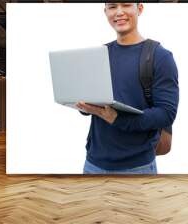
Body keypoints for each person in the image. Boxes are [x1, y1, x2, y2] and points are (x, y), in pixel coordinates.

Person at [76, 3, 179, 174]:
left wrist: (117, 119)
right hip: (93, 164)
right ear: (105, 12)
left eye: (126, 5)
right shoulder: (99, 55)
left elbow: (166, 114)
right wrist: (84, 105)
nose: (119, 12)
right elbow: (95, 105)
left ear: (139, 9)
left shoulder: (160, 57)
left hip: (138, 167)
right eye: (112, 7)